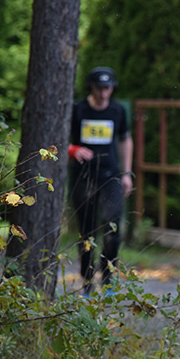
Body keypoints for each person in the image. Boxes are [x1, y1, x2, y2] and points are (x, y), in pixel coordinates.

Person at [68, 66, 134, 297]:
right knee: (87, 230)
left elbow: (125, 139)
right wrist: (73, 150)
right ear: (92, 87)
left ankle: (108, 279)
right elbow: (60, 138)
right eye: (99, 88)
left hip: (111, 176)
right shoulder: (78, 109)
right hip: (83, 177)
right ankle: (86, 281)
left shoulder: (117, 111)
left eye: (108, 88)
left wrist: (127, 173)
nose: (104, 93)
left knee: (112, 226)